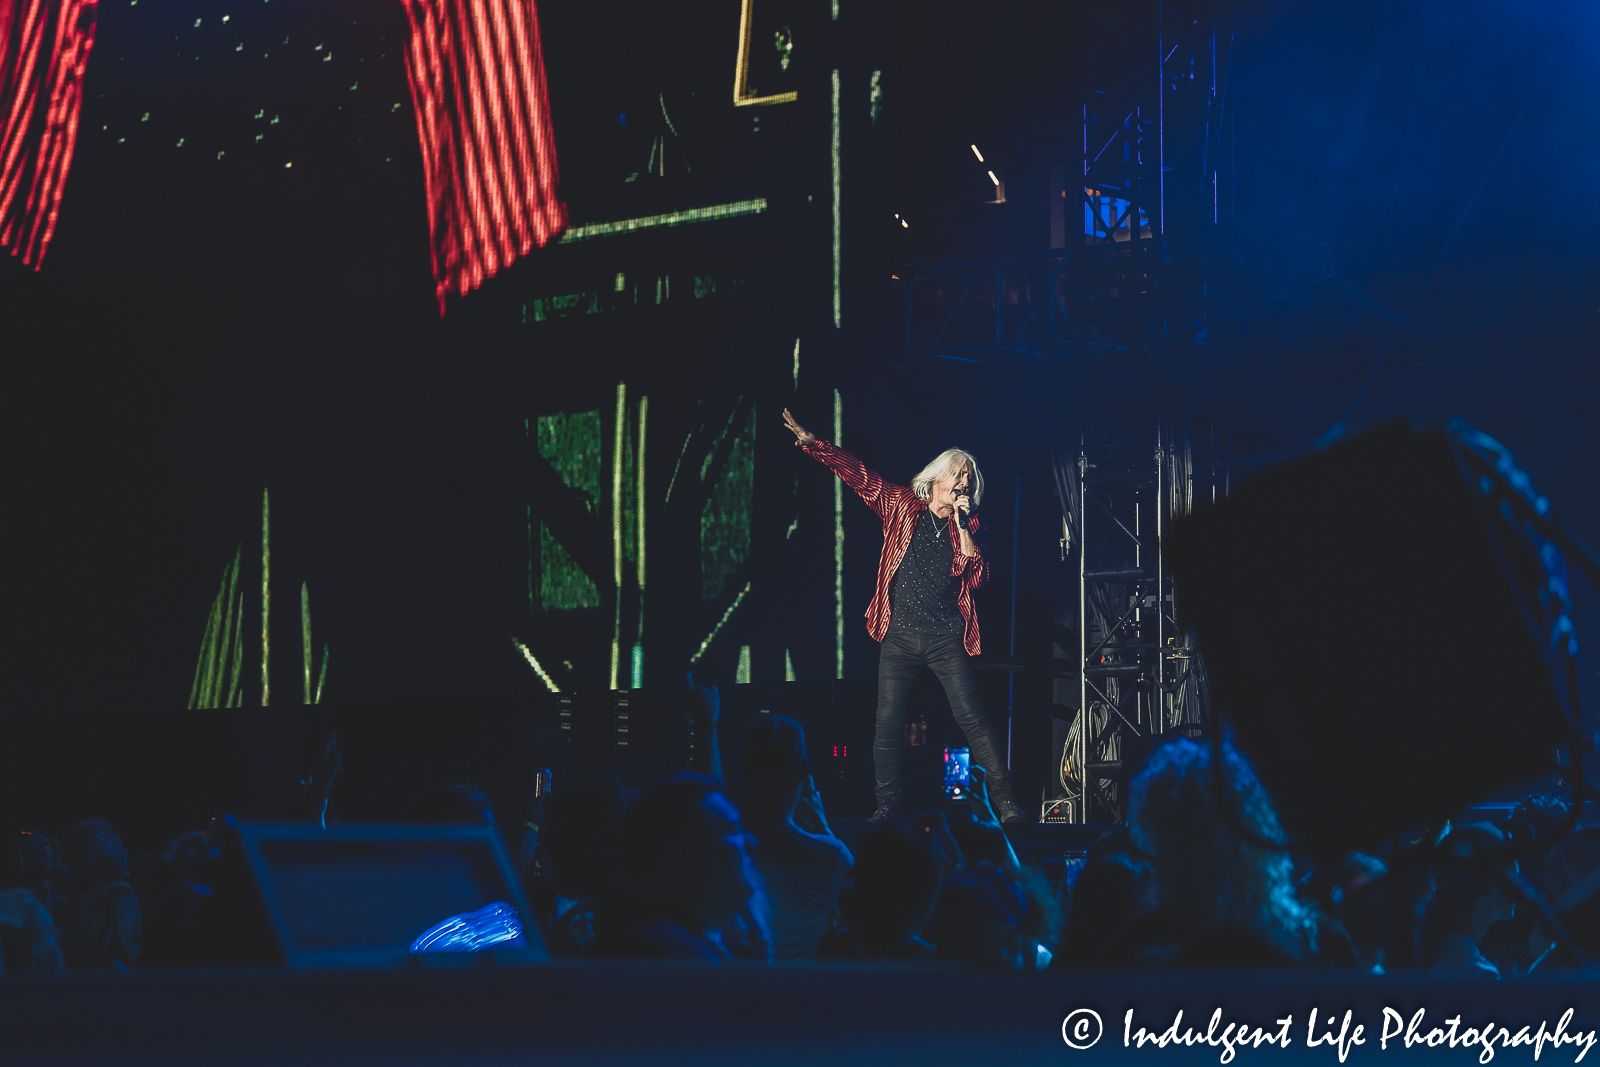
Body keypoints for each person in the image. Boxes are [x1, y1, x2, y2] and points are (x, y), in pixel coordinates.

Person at [781, 408, 1023, 824]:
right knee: (887, 725)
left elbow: (980, 579)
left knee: (974, 721)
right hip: (900, 635)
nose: (964, 482)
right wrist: (814, 445)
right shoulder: (901, 505)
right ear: (937, 479)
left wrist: (965, 529)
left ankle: (1006, 804)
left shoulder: (973, 524)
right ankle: (886, 807)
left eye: (969, 478)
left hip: (947, 636)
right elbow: (859, 475)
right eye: (958, 475)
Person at [737, 716, 853, 965]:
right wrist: (820, 825)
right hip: (797, 999)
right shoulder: (831, 856)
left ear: (744, 770)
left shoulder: (717, 843)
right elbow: (852, 915)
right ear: (804, 771)